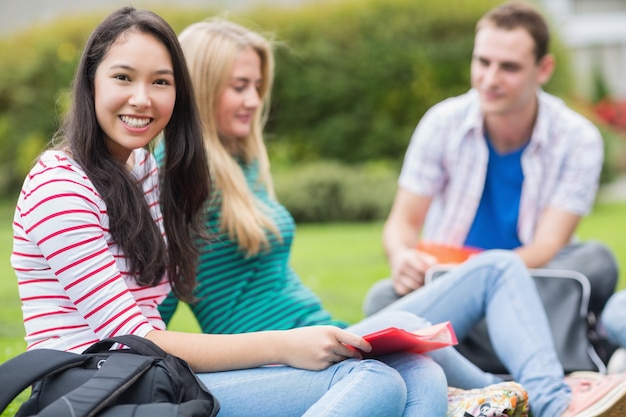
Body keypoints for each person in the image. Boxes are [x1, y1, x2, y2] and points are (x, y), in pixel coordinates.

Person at [155, 16, 626, 417]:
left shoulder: (240, 164)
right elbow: (150, 310)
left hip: (320, 328)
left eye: (258, 86)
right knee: (479, 280)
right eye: (240, 87)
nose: (255, 100)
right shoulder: (177, 178)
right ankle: (543, 400)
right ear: (204, 85)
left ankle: (499, 397)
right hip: (278, 353)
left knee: (419, 360)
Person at [10, 7, 455, 417]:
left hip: (156, 375)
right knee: (375, 381)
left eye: (161, 82)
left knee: (419, 371)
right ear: (90, 82)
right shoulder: (60, 186)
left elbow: (154, 313)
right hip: (99, 389)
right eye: (123, 77)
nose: (142, 99)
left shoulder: (142, 168)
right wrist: (282, 346)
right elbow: (137, 338)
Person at [361, 1, 618, 321]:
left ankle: (460, 342)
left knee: (596, 261)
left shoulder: (578, 138)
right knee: (381, 299)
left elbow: (547, 246)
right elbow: (403, 223)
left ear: (544, 70)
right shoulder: (441, 123)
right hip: (449, 280)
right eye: (483, 62)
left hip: (529, 278)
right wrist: (402, 256)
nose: (490, 79)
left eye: (509, 67)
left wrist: (476, 278)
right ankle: (521, 339)